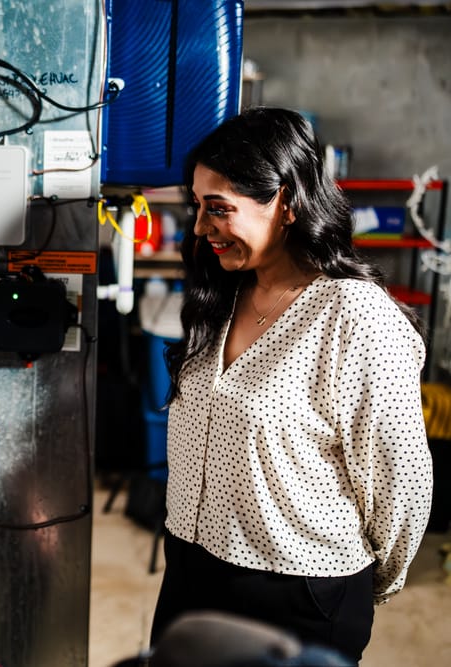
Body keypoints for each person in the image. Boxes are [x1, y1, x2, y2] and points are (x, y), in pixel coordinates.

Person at [152, 106, 433, 663]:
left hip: (298, 587)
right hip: (189, 568)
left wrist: (360, 583)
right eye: (197, 206)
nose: (201, 227)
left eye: (218, 208)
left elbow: (401, 479)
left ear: (285, 202)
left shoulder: (354, 316)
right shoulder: (222, 296)